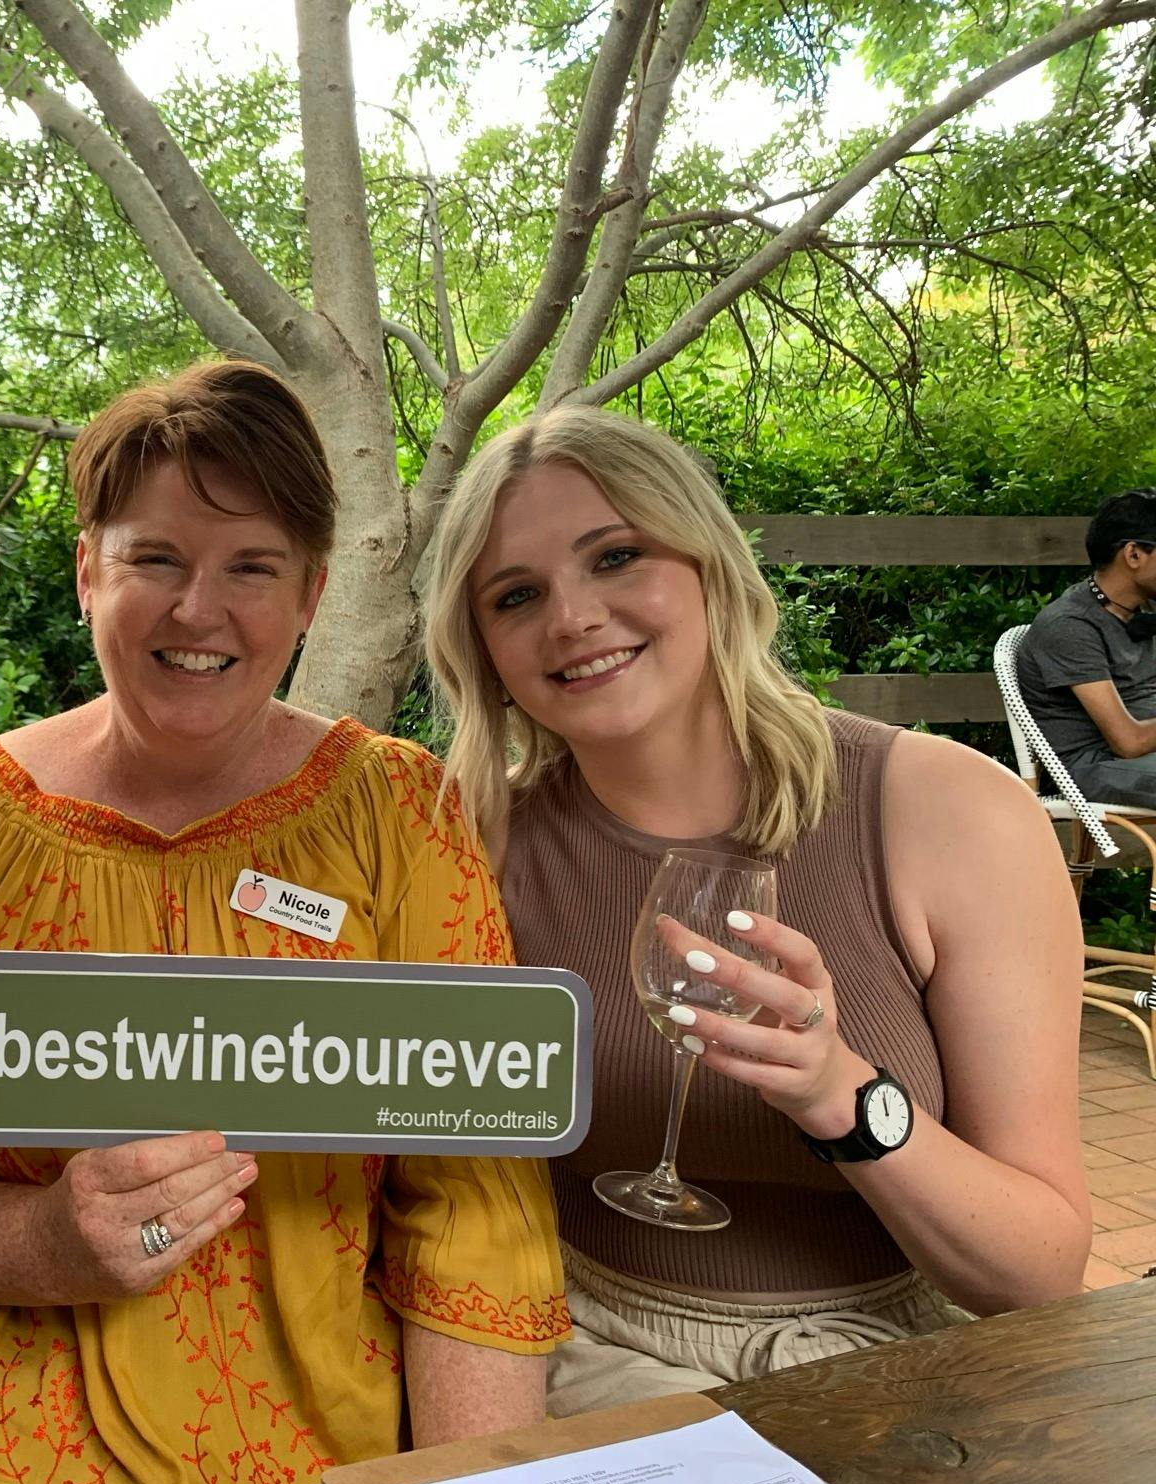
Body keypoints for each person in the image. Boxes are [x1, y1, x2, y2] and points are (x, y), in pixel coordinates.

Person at [0, 360, 566, 1484]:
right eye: (155, 560)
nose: (197, 611)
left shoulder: (395, 813)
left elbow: (472, 1201)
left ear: (309, 597)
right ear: (87, 571)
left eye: (250, 568)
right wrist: (35, 1242)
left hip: (328, 1483)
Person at [422, 406, 1091, 1418]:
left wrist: (836, 1094)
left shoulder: (950, 812)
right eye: (516, 595)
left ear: (709, 569)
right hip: (586, 1352)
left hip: (891, 1359)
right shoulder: (473, 842)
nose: (569, 617)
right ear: (483, 650)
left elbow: (1037, 1272)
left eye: (614, 557)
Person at [1015, 487, 1156, 809]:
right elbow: (1129, 742)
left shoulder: (1142, 610)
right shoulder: (1070, 626)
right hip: (1093, 766)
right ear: (1133, 554)